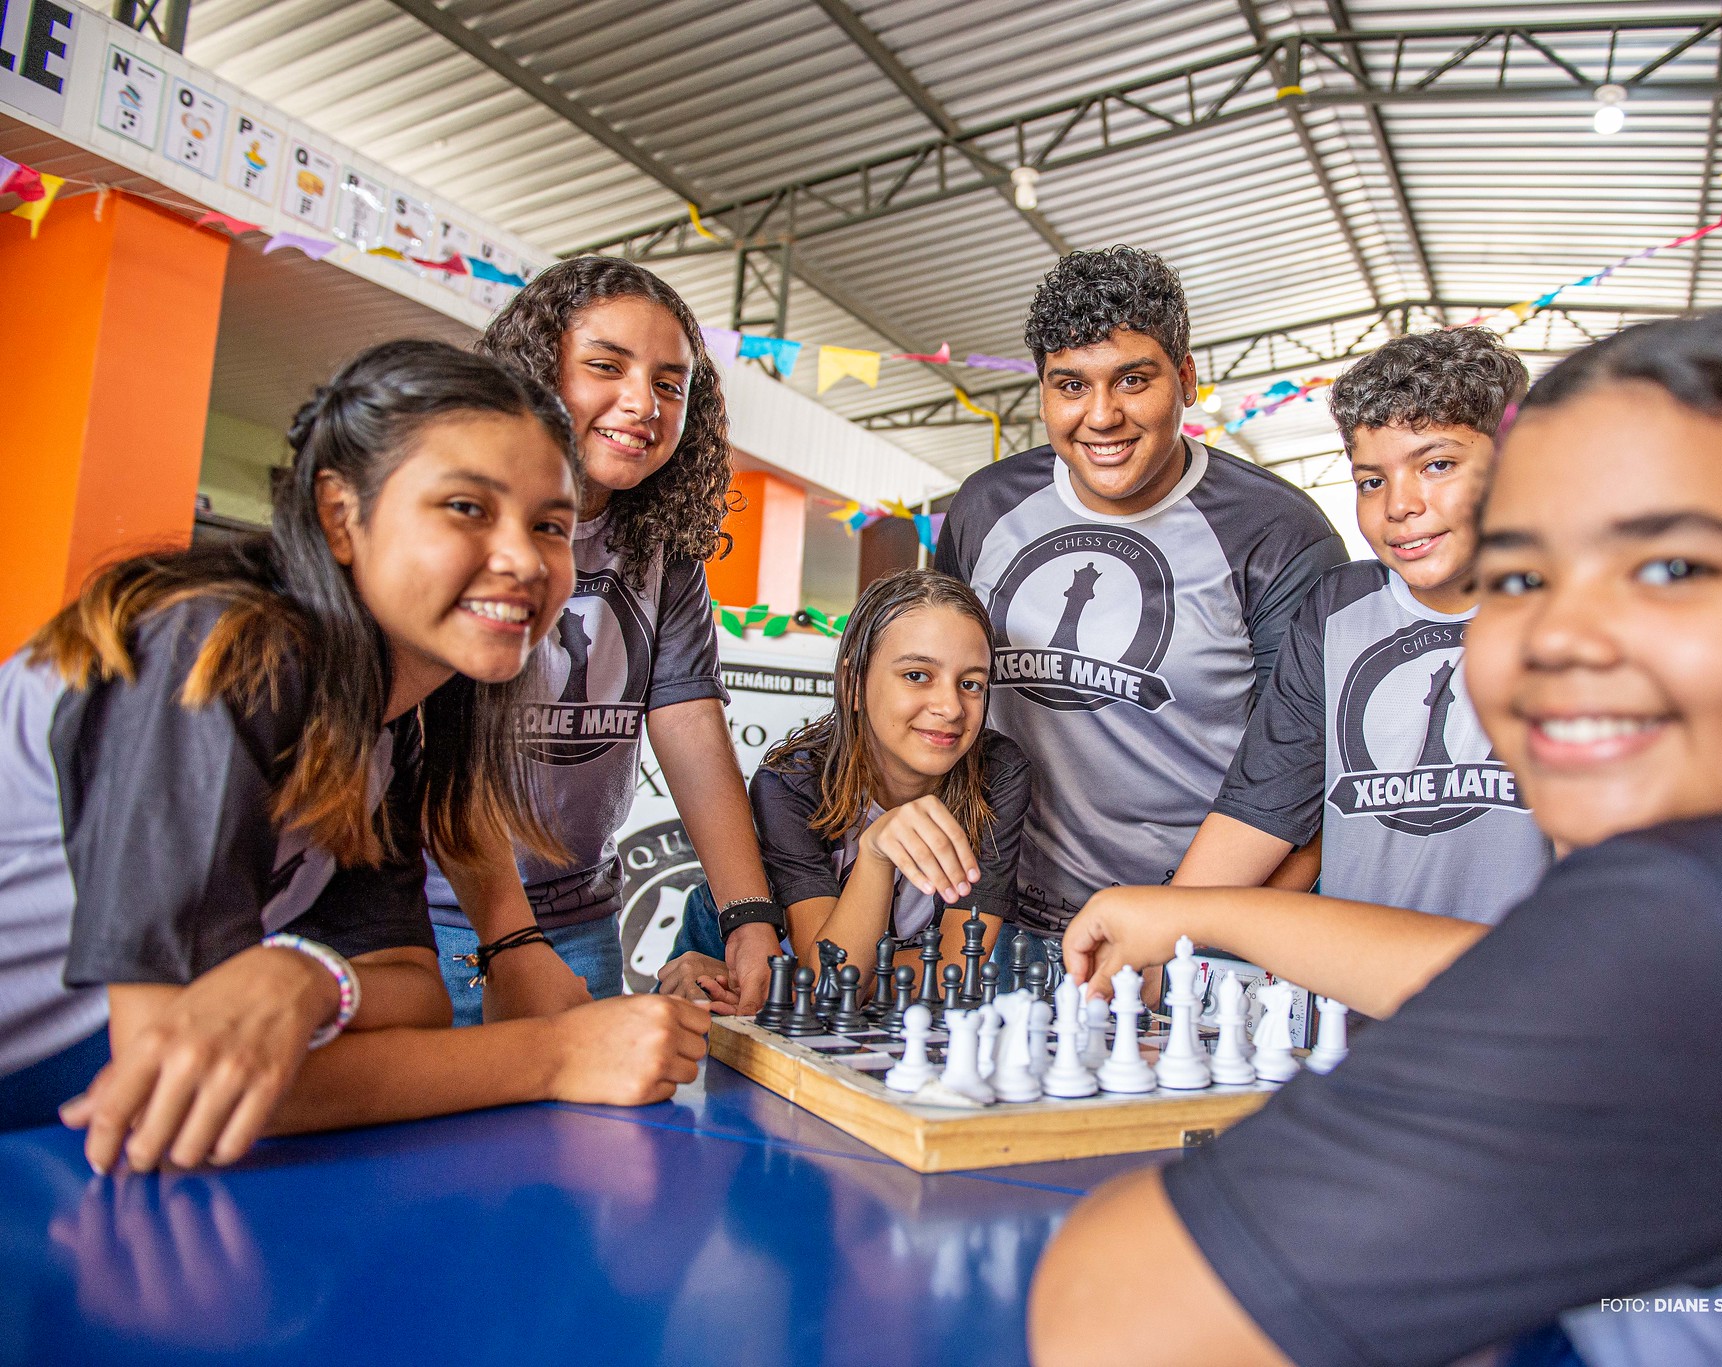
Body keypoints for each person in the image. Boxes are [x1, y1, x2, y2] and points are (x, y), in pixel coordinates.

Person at [1030, 307, 1722, 1366]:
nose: (1559, 636)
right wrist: (1202, 912)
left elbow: (1113, 1316)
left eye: (1671, 569)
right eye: (1521, 575)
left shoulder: (1706, 933)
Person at [0, 342, 708, 1172]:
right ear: (340, 514)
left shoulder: (397, 713)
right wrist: (553, 1053)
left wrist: (307, 980)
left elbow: (410, 991)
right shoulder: (219, 651)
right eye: (467, 508)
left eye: (550, 525)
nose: (522, 558)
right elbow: (177, 1079)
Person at [934, 246, 1346, 985]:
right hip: (1003, 929)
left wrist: (1203, 947)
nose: (1102, 416)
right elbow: (931, 695)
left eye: (1133, 378)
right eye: (1071, 385)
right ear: (1042, 391)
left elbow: (1303, 777)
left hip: (1195, 943)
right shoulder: (985, 507)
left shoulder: (1278, 532)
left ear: (1185, 378)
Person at [426, 256, 784, 1023]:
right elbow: (444, 747)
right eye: (605, 366)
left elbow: (687, 722)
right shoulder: (457, 521)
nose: (641, 402)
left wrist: (747, 914)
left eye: (669, 382)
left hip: (576, 916)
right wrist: (508, 938)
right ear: (536, 370)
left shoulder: (664, 549)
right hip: (427, 916)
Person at [1176, 327, 1553, 921]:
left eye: (1437, 465)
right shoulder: (1336, 610)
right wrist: (1162, 934)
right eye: (1371, 480)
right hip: (1353, 993)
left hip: (1528, 990)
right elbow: (1262, 803)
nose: (1399, 506)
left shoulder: (1572, 610)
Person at [678, 569, 1029, 997]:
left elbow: (957, 968)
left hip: (798, 991)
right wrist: (876, 856)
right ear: (853, 684)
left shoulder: (998, 773)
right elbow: (832, 982)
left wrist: (809, 985)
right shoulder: (790, 785)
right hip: (724, 958)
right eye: (917, 675)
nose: (950, 706)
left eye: (971, 684)